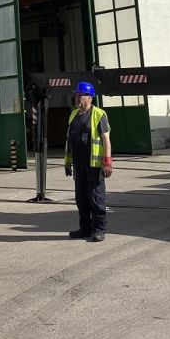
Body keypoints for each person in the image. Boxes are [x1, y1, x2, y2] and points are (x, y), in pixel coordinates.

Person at [64, 81, 113, 242]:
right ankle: (85, 228)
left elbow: (106, 139)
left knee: (95, 196)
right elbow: (70, 140)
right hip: (79, 164)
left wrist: (107, 162)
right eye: (76, 95)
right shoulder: (73, 115)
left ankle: (99, 229)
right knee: (81, 197)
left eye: (80, 95)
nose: (77, 98)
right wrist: (67, 162)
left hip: (94, 164)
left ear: (90, 97)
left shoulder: (99, 114)